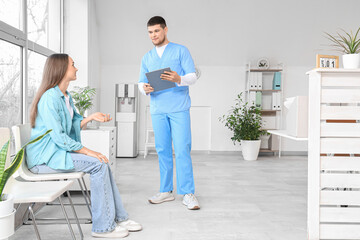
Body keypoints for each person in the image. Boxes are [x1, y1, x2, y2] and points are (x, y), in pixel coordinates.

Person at [26, 53, 142, 238]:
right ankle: (102, 228)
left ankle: (119, 217)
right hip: (44, 160)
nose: (76, 68)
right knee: (98, 163)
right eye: (73, 64)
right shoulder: (50, 98)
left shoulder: (65, 96)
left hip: (56, 154)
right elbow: (59, 137)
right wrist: (90, 151)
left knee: (102, 162)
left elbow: (72, 124)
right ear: (62, 69)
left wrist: (91, 117)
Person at [138, 16, 200, 210]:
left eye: (156, 31)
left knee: (182, 149)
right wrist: (144, 88)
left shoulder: (181, 51)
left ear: (165, 30)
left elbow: (192, 76)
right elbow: (141, 82)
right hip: (158, 109)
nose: (153, 35)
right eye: (150, 32)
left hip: (179, 108)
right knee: (163, 150)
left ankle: (188, 193)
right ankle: (166, 191)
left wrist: (178, 78)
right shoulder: (147, 57)